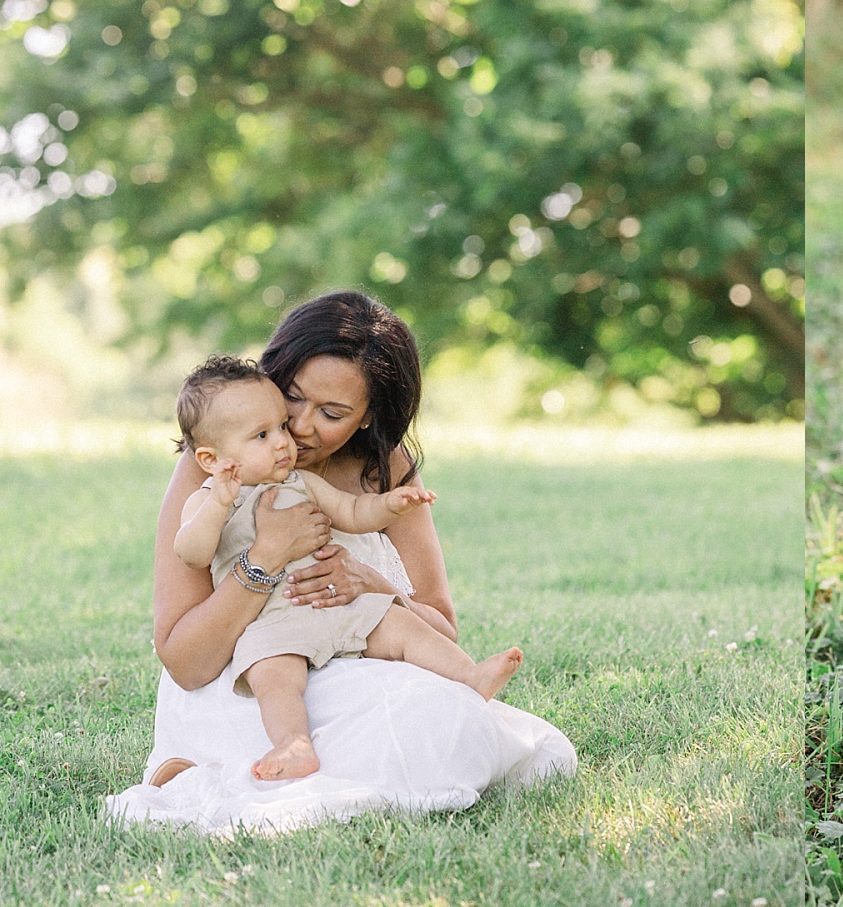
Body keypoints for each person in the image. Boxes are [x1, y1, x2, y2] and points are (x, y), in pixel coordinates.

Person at [106, 291, 573, 835]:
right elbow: (186, 662)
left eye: (330, 414)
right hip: (247, 677)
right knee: (426, 726)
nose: (299, 428)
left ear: (367, 417)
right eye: (291, 399)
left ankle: (240, 773)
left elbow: (442, 627)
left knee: (453, 717)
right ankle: (218, 766)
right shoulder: (218, 465)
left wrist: (373, 586)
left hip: (356, 658)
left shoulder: (383, 467)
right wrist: (265, 558)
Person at [169, 355, 524, 782]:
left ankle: (469, 674)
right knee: (275, 679)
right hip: (273, 623)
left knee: (398, 624)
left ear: (366, 418)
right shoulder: (207, 496)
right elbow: (191, 552)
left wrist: (389, 505)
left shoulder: (301, 482)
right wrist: (229, 514)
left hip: (338, 610)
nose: (289, 437)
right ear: (211, 456)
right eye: (266, 431)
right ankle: (294, 744)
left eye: (279, 426)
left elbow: (352, 512)